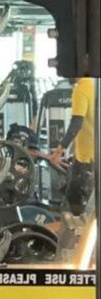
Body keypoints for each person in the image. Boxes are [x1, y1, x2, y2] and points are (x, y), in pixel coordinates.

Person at [49, 76, 95, 217]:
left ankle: (78, 226)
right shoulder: (93, 85)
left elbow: (76, 123)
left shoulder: (81, 89)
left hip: (87, 156)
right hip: (91, 152)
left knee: (74, 197)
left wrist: (59, 151)